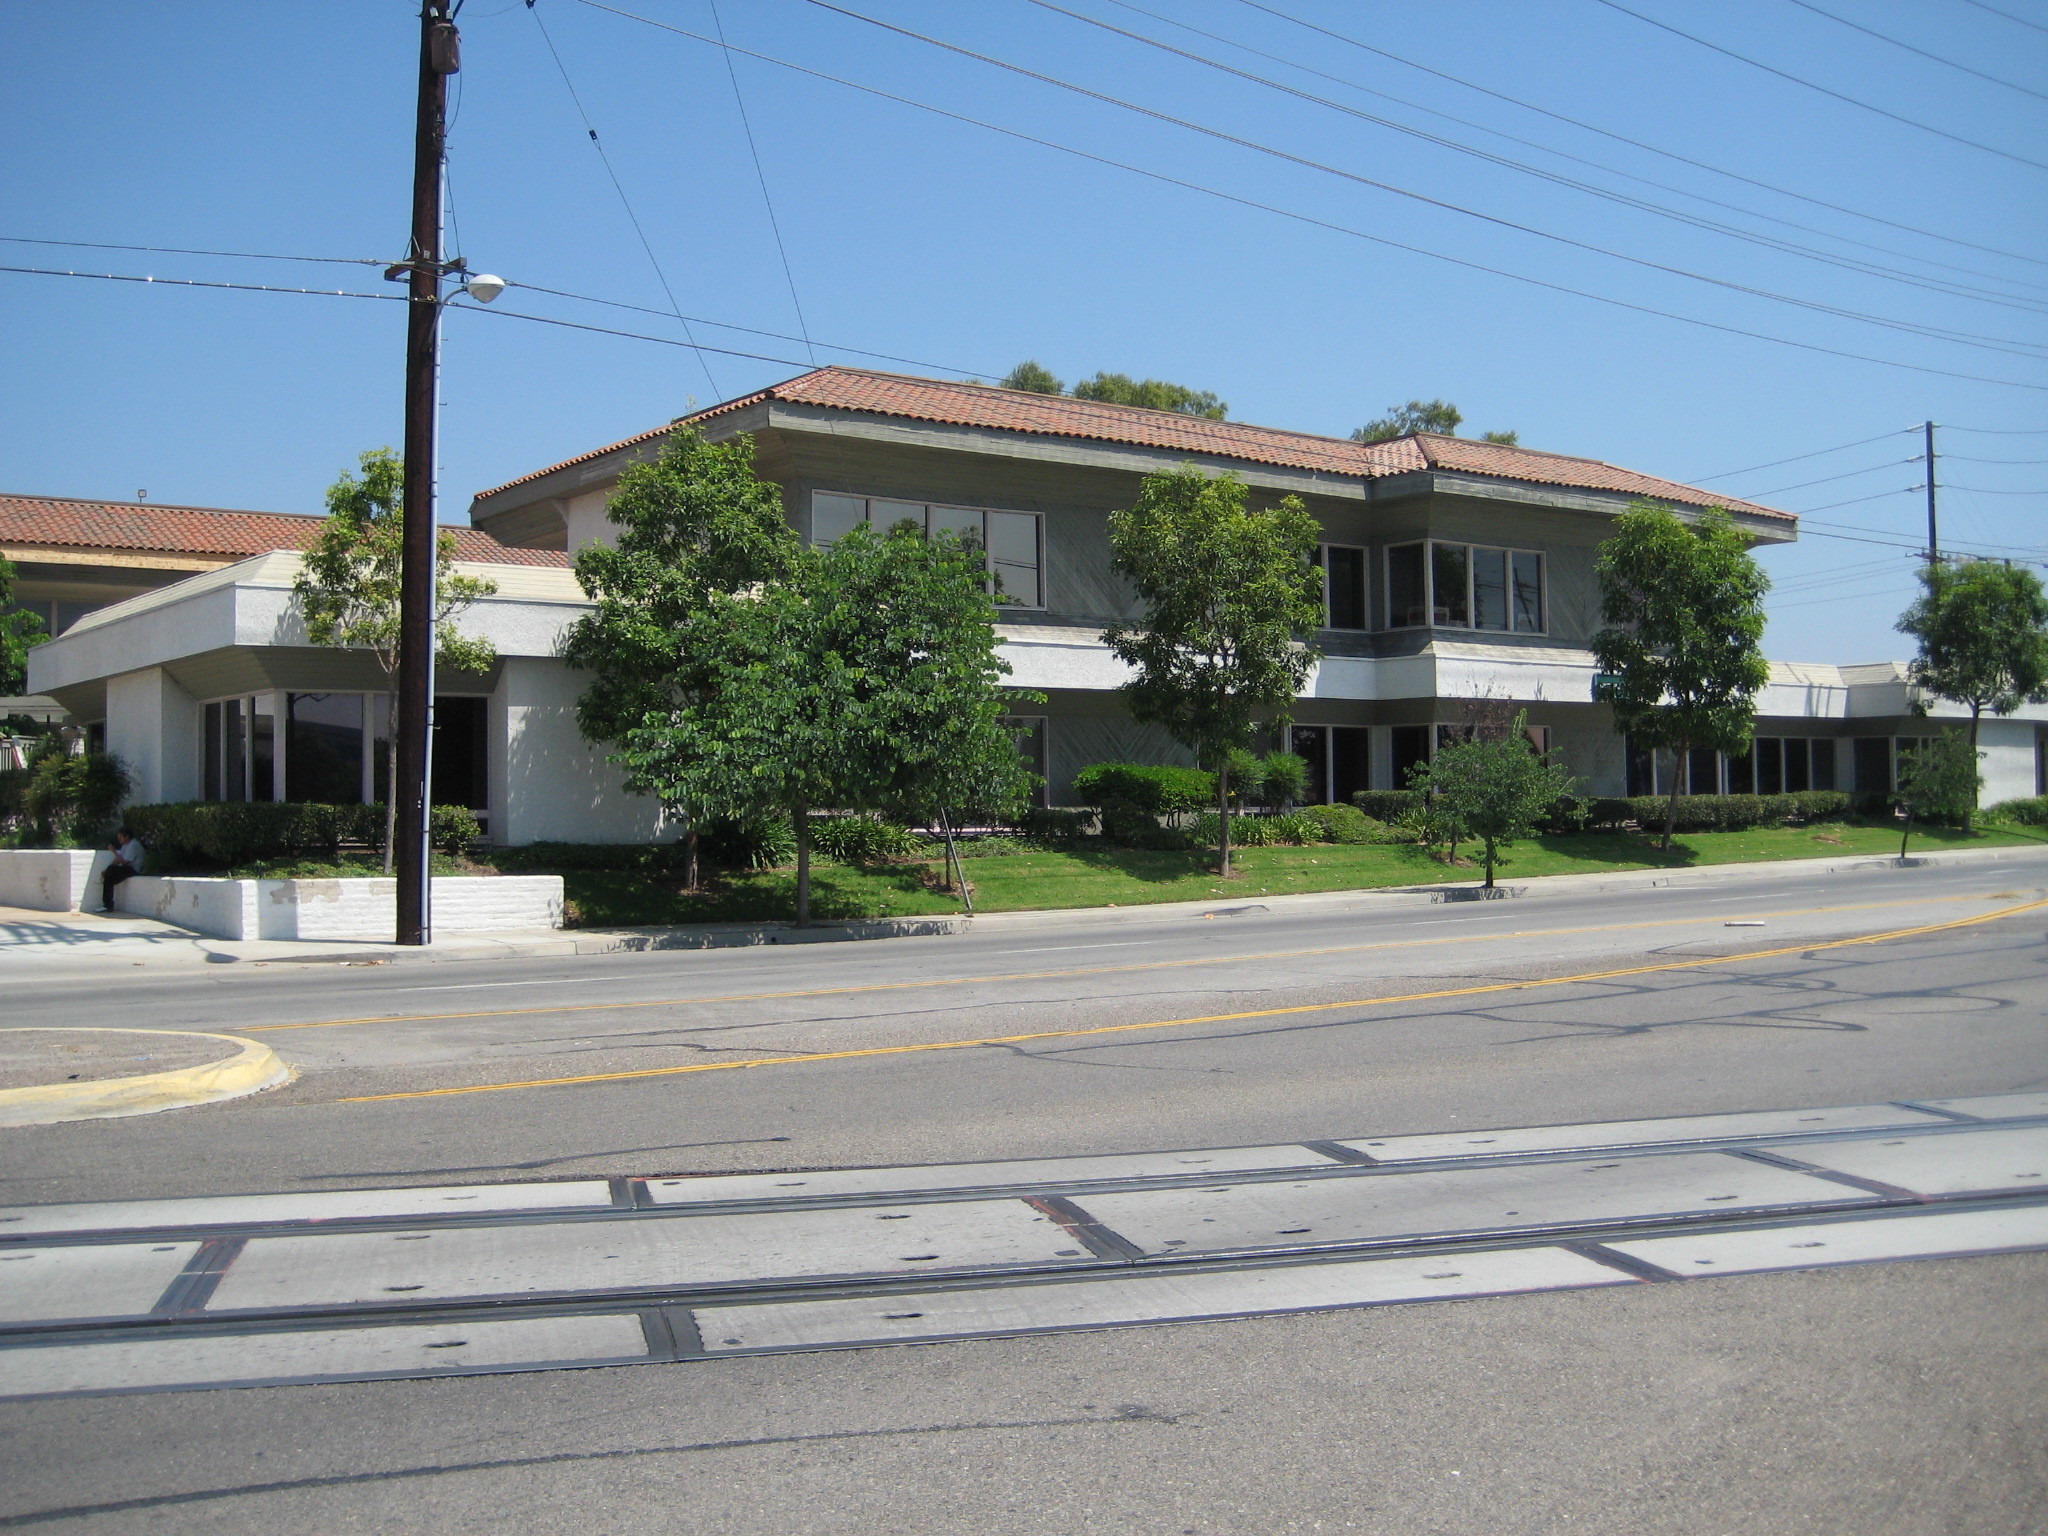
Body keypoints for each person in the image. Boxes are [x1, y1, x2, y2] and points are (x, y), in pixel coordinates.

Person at [99, 826, 145, 912]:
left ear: (126, 837)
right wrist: (107, 870)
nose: (118, 839)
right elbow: (118, 859)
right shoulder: (125, 845)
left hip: (133, 870)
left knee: (110, 874)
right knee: (108, 878)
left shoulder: (133, 845)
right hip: (127, 869)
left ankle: (108, 905)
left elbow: (124, 862)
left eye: (120, 837)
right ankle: (108, 905)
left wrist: (114, 851)